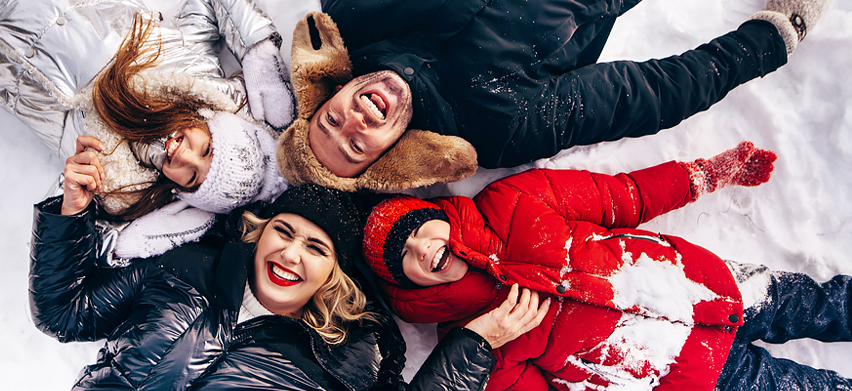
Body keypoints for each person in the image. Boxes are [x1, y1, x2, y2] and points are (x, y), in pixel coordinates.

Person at [356, 142, 852, 390]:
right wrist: (490, 341)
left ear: (435, 211)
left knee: (832, 301)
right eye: (402, 261)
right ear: (408, 288)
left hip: (710, 284)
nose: (418, 249)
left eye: (415, 228)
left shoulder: (514, 201)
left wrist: (705, 174)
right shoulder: (473, 345)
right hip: (695, 373)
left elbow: (622, 197)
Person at [275, 0, 831, 192]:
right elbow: (644, 94)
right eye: (356, 146)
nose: (356, 121)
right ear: (388, 157)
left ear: (329, 95)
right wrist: (770, 41)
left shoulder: (353, 6)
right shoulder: (495, 125)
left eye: (331, 120)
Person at [30, 180, 551, 390]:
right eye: (283, 231)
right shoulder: (184, 271)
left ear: (334, 277)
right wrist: (69, 214)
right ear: (258, 236)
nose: (291, 253)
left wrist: (473, 346)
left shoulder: (350, 359)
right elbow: (64, 312)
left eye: (316, 249)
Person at [2, 0, 296, 259]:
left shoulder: (113, 184)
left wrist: (72, 208)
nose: (184, 156)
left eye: (192, 177)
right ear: (212, 123)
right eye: (206, 149)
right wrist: (259, 53)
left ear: (181, 192)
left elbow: (64, 256)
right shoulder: (194, 69)